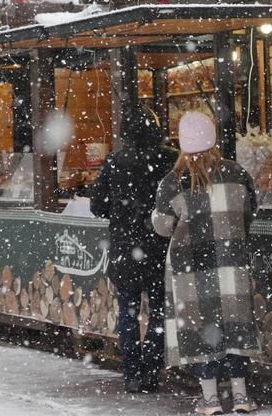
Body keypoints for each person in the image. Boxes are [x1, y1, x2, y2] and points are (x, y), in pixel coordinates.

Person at [152, 111, 260, 415]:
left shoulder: (172, 182)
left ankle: (210, 400)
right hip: (231, 263)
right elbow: (249, 214)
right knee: (235, 326)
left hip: (190, 268)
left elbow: (162, 227)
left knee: (200, 329)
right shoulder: (237, 173)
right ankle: (241, 396)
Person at [91, 108, 177, 394]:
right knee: (159, 312)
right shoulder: (168, 158)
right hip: (158, 245)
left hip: (125, 247)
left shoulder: (115, 161)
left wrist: (120, 209)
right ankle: (152, 369)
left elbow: (98, 205)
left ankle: (132, 373)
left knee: (127, 313)